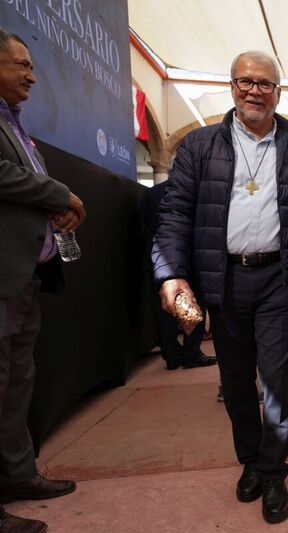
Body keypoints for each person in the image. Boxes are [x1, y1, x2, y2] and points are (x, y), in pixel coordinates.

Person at [152, 50, 288, 525]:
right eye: (245, 81)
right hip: (224, 280)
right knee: (235, 382)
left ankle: (272, 472)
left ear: (278, 93)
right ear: (232, 87)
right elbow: (175, 213)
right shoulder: (200, 145)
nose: (254, 91)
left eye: (265, 83)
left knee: (278, 381)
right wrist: (171, 272)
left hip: (279, 281)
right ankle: (250, 459)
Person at [0, 28, 84, 533]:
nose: (33, 75)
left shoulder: (15, 123)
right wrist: (61, 194)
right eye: (23, 65)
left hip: (25, 277)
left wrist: (59, 209)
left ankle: (17, 475)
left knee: (16, 384)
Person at [140, 179, 217, 370]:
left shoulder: (150, 194)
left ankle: (171, 355)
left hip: (158, 257)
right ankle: (192, 353)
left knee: (163, 309)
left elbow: (144, 225)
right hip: (189, 256)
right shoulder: (193, 192)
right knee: (196, 301)